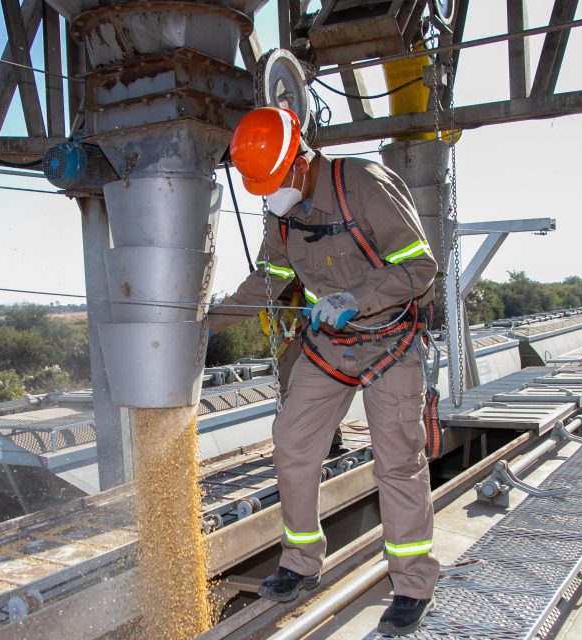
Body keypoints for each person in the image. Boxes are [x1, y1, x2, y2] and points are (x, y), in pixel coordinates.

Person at [208, 107, 439, 636]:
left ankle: (411, 583)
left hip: (389, 343)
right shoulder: (282, 215)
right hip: (330, 347)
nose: (268, 195)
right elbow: (266, 285)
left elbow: (421, 268)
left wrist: (356, 299)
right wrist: (207, 325)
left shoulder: (362, 187)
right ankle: (300, 561)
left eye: (272, 182)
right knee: (291, 444)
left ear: (300, 159)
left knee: (398, 463)